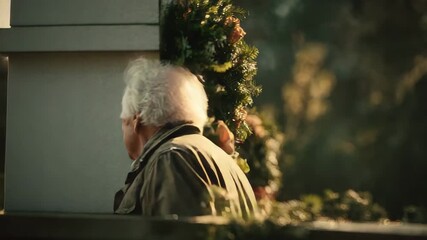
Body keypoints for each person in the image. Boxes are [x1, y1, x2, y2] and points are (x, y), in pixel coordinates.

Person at [114, 57, 258, 219]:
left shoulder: (171, 159)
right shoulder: (226, 161)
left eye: (123, 121)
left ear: (136, 120)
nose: (122, 130)